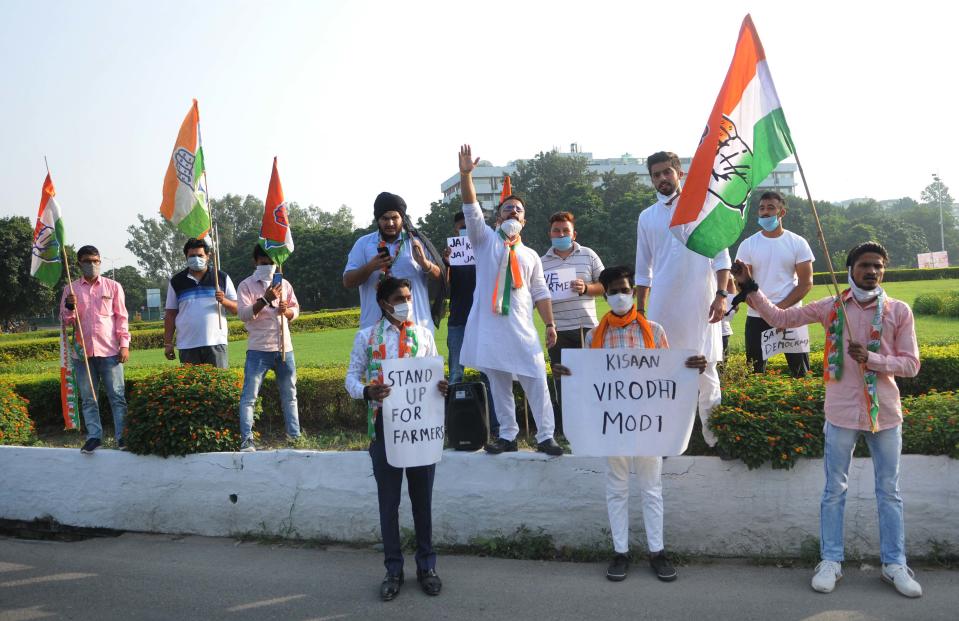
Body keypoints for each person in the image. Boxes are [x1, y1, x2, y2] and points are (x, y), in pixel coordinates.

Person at [731, 242, 923, 598]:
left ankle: (894, 564)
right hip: (840, 411)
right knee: (834, 490)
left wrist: (875, 359)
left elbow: (911, 365)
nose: (872, 272)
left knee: (889, 492)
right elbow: (782, 319)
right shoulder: (832, 307)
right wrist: (750, 288)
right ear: (850, 269)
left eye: (878, 266)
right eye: (865, 265)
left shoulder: (899, 311)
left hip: (886, 414)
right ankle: (831, 561)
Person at [553, 266, 706, 582]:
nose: (620, 296)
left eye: (625, 289)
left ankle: (657, 551)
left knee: (652, 489)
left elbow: (667, 374)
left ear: (633, 292)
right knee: (617, 488)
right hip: (613, 425)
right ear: (605, 295)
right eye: (613, 291)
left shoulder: (654, 330)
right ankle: (620, 552)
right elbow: (589, 380)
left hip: (648, 424)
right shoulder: (596, 335)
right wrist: (567, 374)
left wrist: (692, 368)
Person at [456, 145, 563, 456]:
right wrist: (466, 176)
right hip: (490, 328)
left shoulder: (530, 255)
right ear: (497, 217)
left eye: (518, 210)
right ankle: (508, 435)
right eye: (507, 209)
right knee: (499, 383)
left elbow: (541, 291)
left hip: (522, 329)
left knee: (536, 379)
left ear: (524, 221)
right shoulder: (484, 241)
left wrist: (551, 324)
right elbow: (470, 206)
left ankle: (546, 436)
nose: (513, 212)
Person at [345, 277, 448, 601]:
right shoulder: (367, 338)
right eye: (399, 298)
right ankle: (393, 569)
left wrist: (442, 387)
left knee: (423, 502)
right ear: (384, 303)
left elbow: (435, 378)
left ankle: (426, 566)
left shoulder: (423, 335)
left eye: (408, 297)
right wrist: (366, 391)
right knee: (389, 504)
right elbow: (350, 377)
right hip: (385, 428)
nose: (406, 303)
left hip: (420, 430)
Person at [635, 151, 731, 450]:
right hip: (663, 307)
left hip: (702, 303)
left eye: (667, 172)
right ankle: (672, 443)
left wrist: (721, 295)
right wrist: (639, 312)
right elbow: (643, 269)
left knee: (707, 374)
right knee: (667, 374)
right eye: (656, 174)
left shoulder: (704, 208)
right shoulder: (647, 216)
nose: (662, 178)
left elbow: (722, 257)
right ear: (651, 179)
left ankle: (716, 442)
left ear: (680, 173)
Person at [59, 245, 130, 454]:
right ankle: (94, 436)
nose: (92, 265)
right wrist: (70, 307)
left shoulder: (113, 286)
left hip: (110, 352)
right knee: (89, 398)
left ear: (100, 262)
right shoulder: (70, 290)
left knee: (117, 397)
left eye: (96, 261)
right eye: (88, 261)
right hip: (83, 354)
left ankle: (122, 437)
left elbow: (122, 318)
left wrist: (124, 345)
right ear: (79, 263)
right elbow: (66, 321)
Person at [735, 191, 814, 376]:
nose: (765, 212)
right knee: (754, 373)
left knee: (801, 373)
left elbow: (806, 283)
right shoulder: (748, 244)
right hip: (756, 316)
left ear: (781, 212)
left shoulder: (798, 243)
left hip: (791, 315)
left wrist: (777, 311)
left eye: (771, 208)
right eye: (762, 208)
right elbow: (741, 283)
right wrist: (764, 310)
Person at [539, 211, 605, 431]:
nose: (561, 234)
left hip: (586, 328)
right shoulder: (541, 263)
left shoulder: (588, 255)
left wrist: (586, 288)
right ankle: (570, 427)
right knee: (563, 381)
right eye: (556, 230)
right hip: (557, 331)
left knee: (592, 379)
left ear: (573, 233)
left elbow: (605, 285)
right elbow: (537, 296)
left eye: (565, 230)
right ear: (550, 234)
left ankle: (595, 424)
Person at [343, 192, 441, 331]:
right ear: (377, 219)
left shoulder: (417, 241)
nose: (390, 223)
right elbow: (348, 281)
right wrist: (370, 267)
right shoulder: (363, 244)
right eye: (385, 218)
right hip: (375, 331)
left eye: (395, 217)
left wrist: (425, 263)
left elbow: (442, 277)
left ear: (402, 218)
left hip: (417, 328)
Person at [236, 244, 301, 451]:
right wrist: (265, 299)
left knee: (289, 395)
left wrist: (287, 312)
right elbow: (244, 314)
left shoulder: (285, 284)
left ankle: (294, 437)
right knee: (249, 397)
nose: (268, 266)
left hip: (284, 347)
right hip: (258, 349)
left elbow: (295, 309)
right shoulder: (246, 285)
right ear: (255, 262)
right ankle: (247, 440)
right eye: (264, 263)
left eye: (271, 262)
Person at [444, 211, 498, 438]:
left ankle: (495, 426)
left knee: (490, 375)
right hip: (458, 320)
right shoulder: (452, 255)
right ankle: (451, 428)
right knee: (456, 374)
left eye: (469, 225)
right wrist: (445, 264)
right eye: (461, 226)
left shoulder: (489, 250)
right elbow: (444, 289)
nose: (465, 229)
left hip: (484, 322)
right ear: (456, 230)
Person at [163, 238, 238, 368]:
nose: (196, 258)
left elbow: (237, 309)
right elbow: (170, 314)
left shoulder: (221, 277)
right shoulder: (176, 281)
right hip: (187, 345)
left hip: (216, 343)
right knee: (192, 387)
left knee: (218, 386)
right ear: (186, 257)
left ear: (207, 256)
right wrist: (168, 343)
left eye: (200, 255)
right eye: (192, 256)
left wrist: (223, 300)